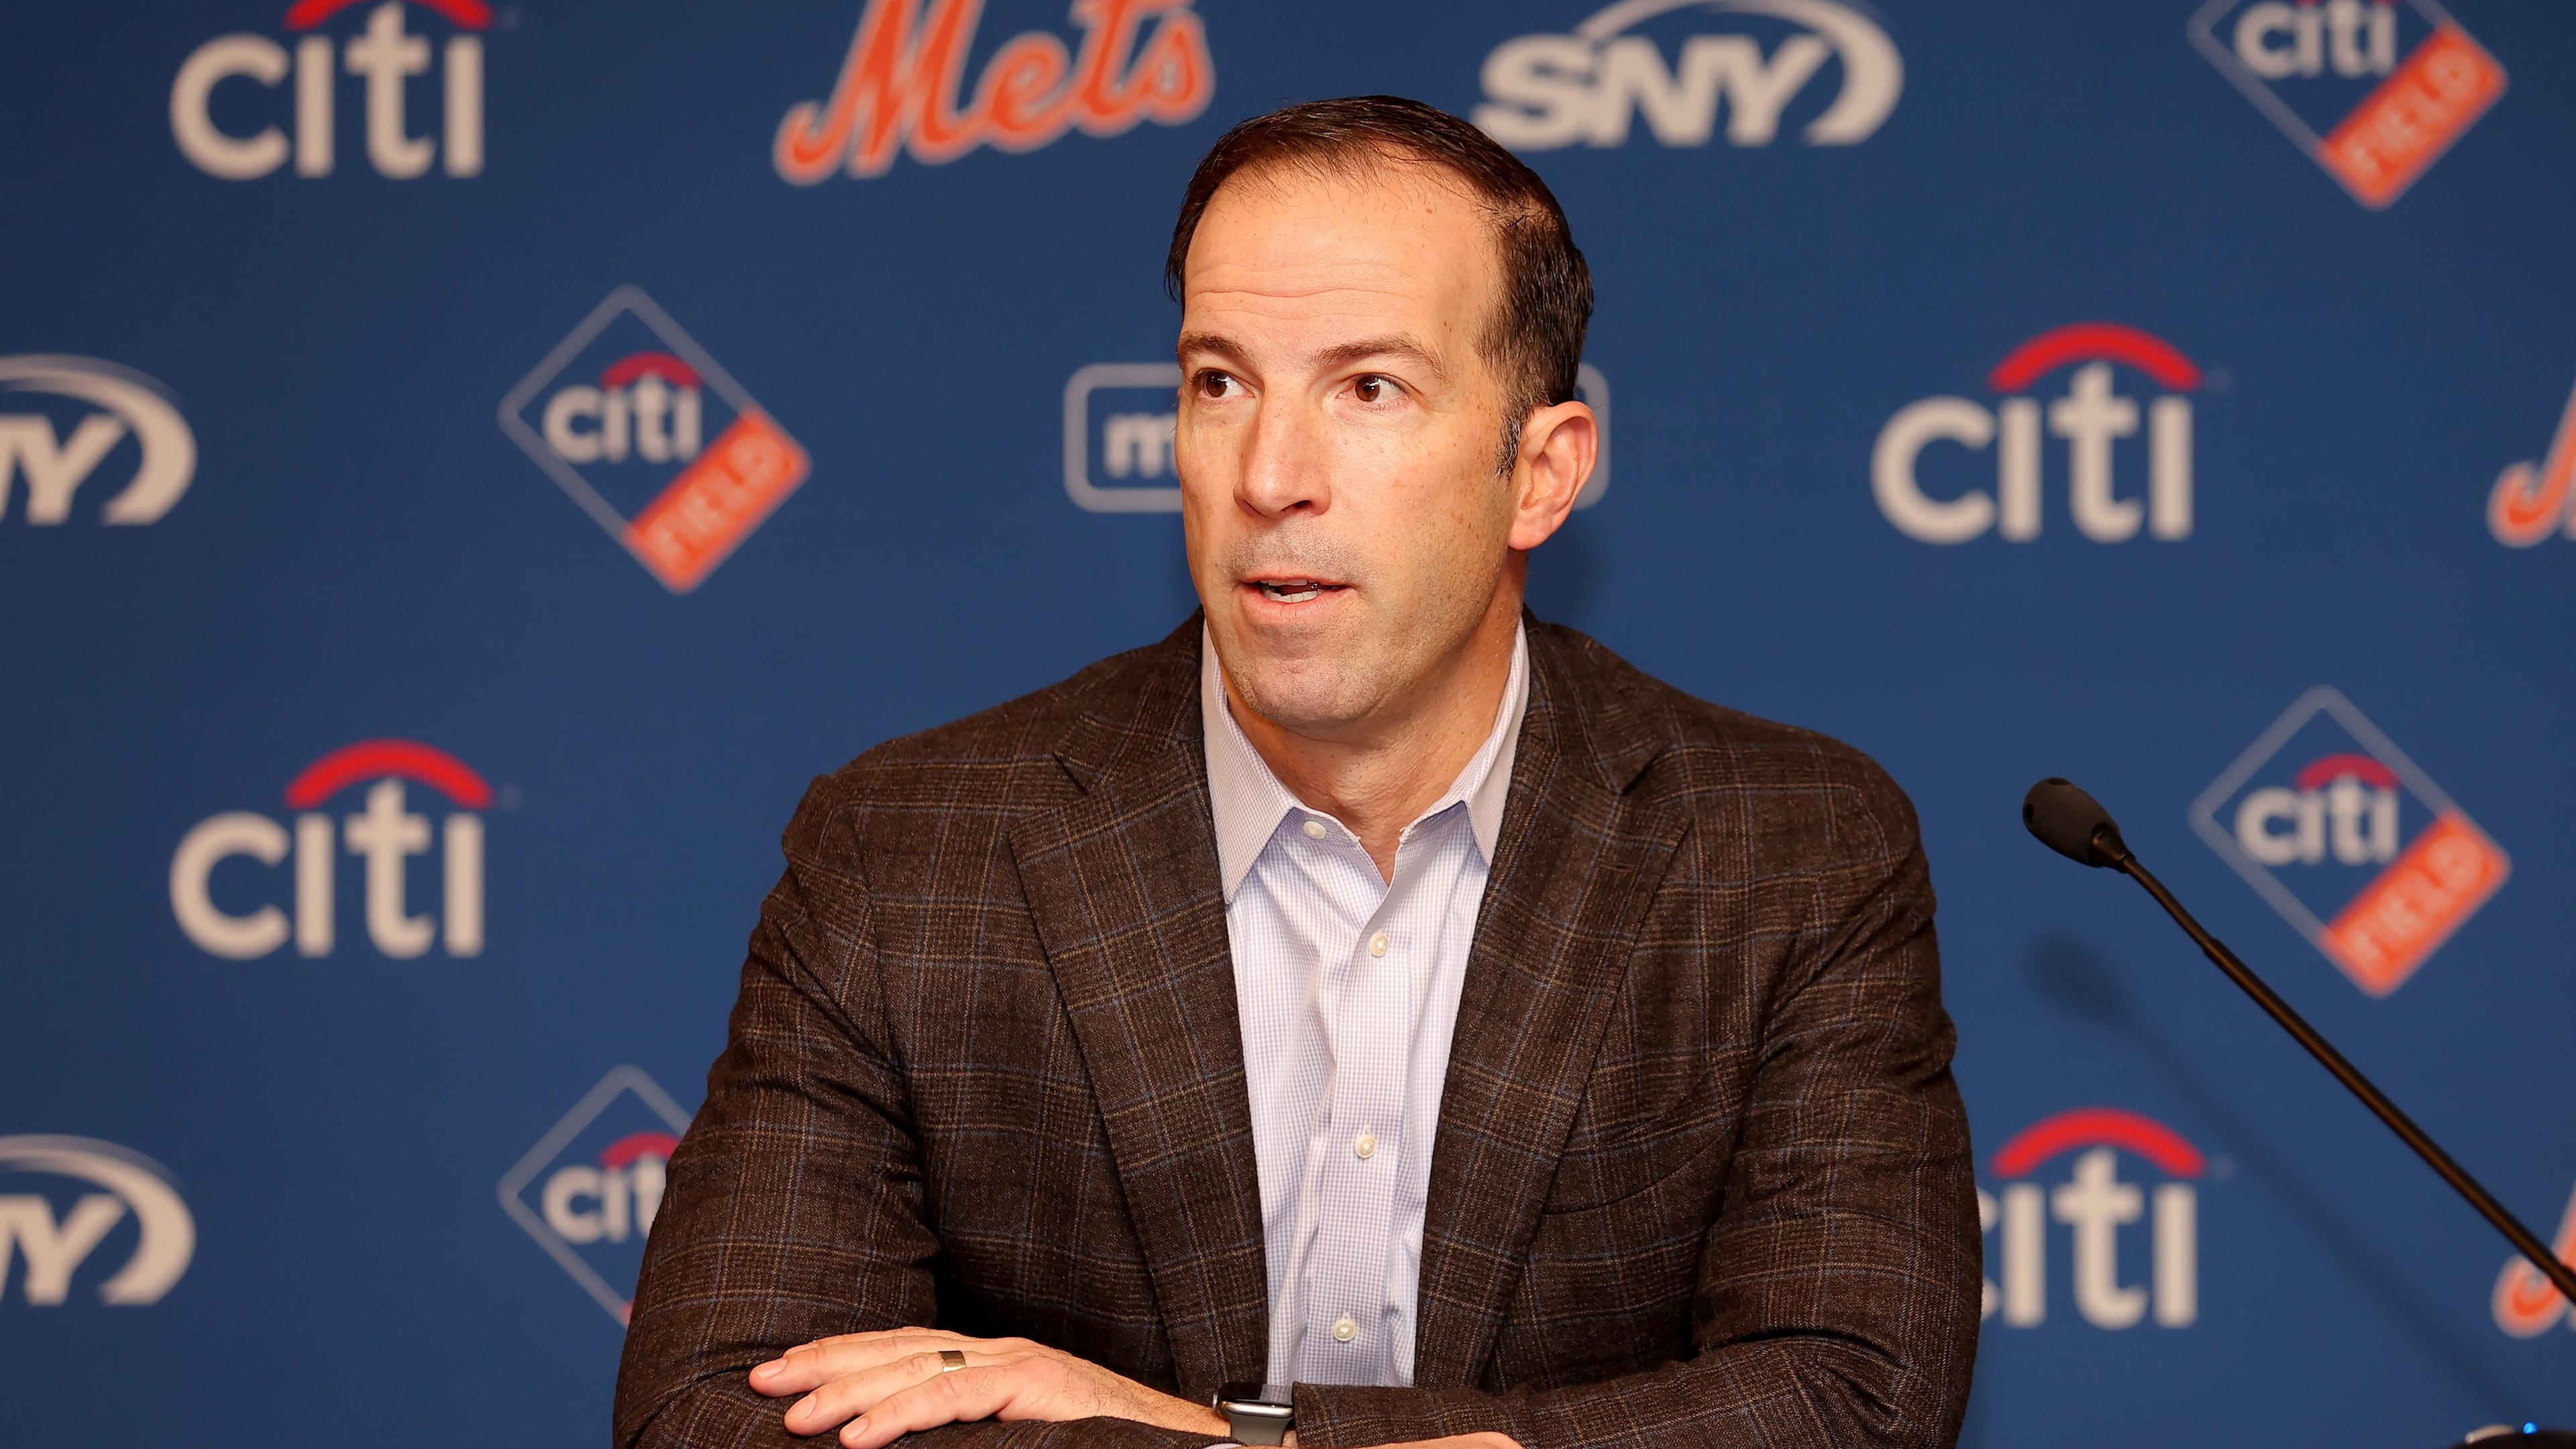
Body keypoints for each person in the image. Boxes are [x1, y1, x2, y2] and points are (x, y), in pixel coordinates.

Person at [616, 95, 1980, 1449]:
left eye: (1369, 388)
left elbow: (1850, 1402)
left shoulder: (1790, 852)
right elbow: (713, 1412)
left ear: (1541, 475)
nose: (1270, 473)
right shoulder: (908, 855)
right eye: (1221, 383)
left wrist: (1206, 1434)